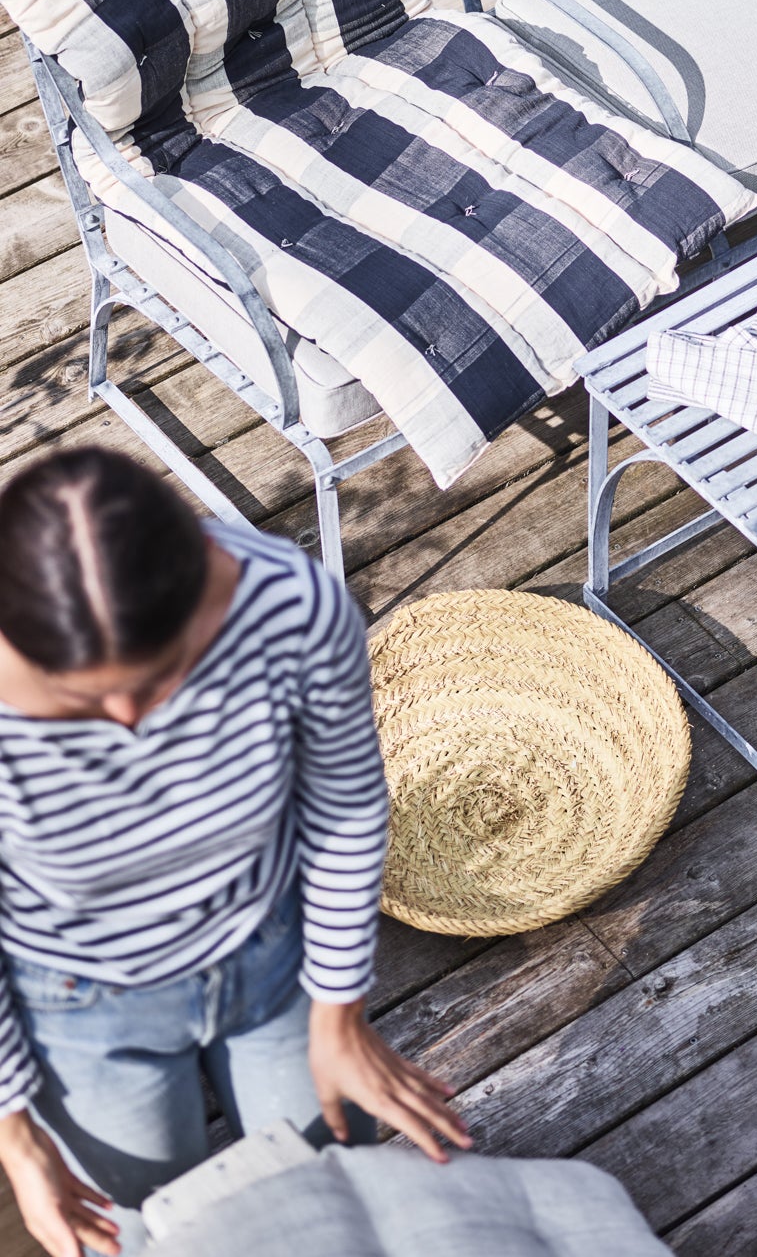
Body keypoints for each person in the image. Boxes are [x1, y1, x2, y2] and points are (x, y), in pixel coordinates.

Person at [0, 448, 469, 1257]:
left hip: (270, 957)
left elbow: (344, 805)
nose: (128, 719)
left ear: (213, 585)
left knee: (327, 1192)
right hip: (79, 1002)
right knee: (139, 1228)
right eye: (80, 700)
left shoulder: (290, 603)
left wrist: (339, 1012)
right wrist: (13, 1128)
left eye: (162, 676)